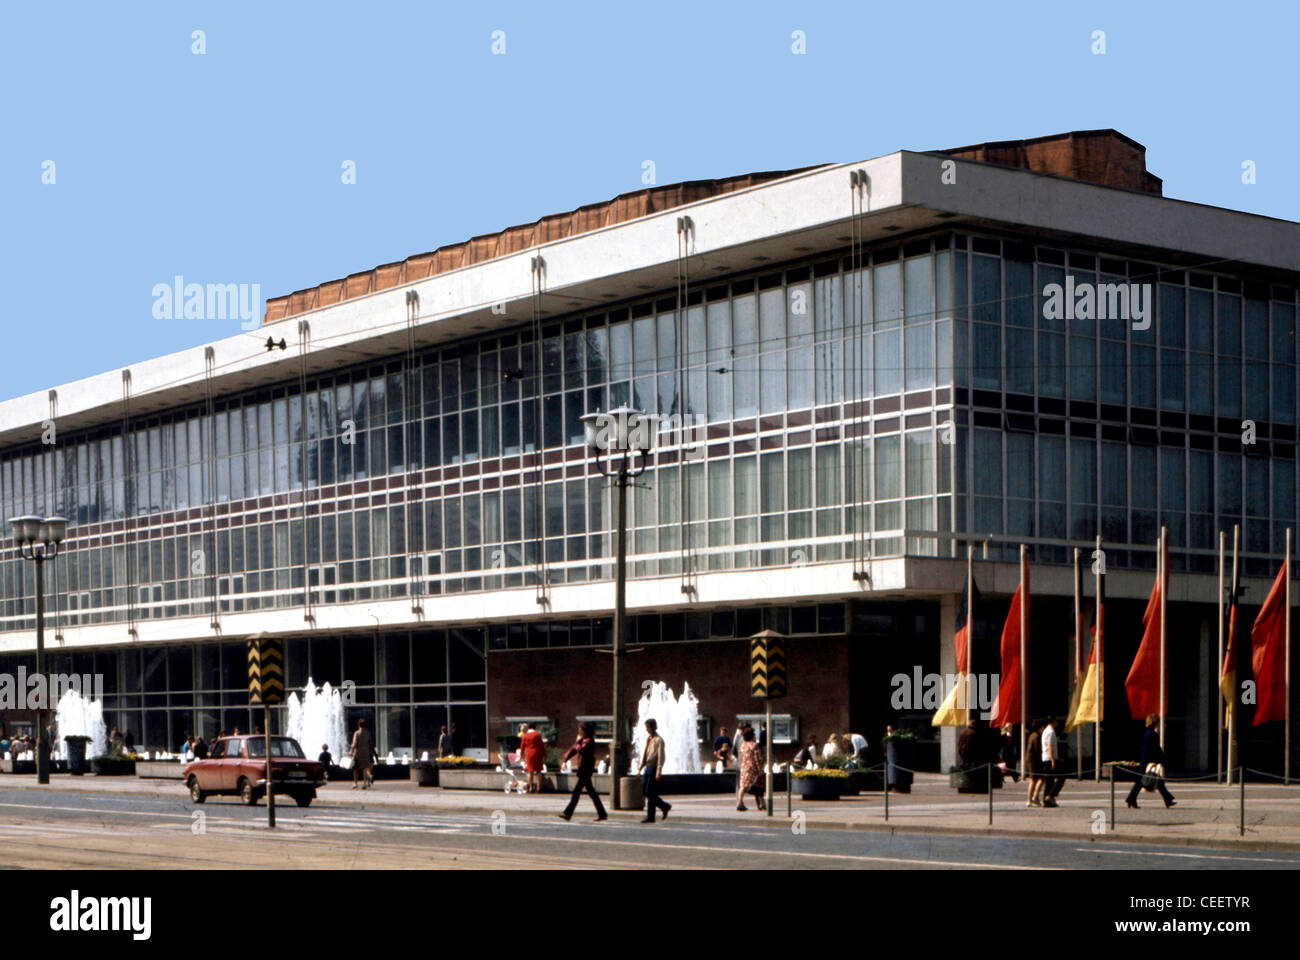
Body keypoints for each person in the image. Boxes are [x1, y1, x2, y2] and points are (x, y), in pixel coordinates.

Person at [559, 722, 607, 821]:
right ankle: (602, 813)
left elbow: (581, 750)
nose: (579, 732)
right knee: (591, 793)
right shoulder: (582, 741)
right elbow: (572, 750)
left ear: (585, 731)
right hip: (583, 769)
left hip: (586, 769)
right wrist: (565, 760)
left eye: (581, 730)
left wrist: (577, 741)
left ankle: (568, 813)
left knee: (577, 792)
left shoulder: (589, 741)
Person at [1126, 714, 1176, 809]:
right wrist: (1159, 760)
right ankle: (1131, 799)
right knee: (1145, 781)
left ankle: (1168, 799)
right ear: (1155, 722)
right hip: (1148, 762)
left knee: (1152, 781)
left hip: (1144, 760)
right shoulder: (1152, 734)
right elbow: (1155, 749)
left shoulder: (1146, 733)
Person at [638, 719, 672, 823]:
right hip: (647, 767)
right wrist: (640, 768)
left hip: (653, 768)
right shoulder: (649, 739)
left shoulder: (659, 740)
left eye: (648, 727)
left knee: (650, 792)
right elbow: (645, 754)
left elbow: (661, 757)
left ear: (653, 727)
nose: (646, 729)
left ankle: (651, 816)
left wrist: (658, 771)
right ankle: (664, 806)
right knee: (645, 791)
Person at [736, 726, 764, 811]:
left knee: (743, 786)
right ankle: (762, 804)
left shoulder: (743, 745)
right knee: (759, 786)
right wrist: (760, 769)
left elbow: (741, 756)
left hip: (744, 767)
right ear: (752, 735)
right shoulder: (754, 745)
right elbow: (757, 758)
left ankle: (739, 803)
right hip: (753, 768)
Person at [1040, 716, 1061, 807]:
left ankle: (1046, 799)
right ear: (1053, 722)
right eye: (1056, 721)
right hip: (1049, 758)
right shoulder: (1050, 732)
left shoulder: (1046, 730)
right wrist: (1052, 759)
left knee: (1050, 780)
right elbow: (1049, 746)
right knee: (1061, 777)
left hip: (1046, 757)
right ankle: (1051, 795)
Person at [520, 722, 546, 794]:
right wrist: (545, 754)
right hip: (537, 753)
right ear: (535, 727)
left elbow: (522, 746)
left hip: (529, 754)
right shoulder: (538, 735)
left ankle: (531, 787)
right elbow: (541, 745)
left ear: (528, 727)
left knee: (530, 771)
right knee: (538, 771)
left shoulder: (525, 735)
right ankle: (539, 788)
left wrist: (521, 756)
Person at [350, 719, 375, 789]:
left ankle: (355, 783)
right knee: (364, 768)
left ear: (358, 725)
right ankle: (364, 783)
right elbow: (370, 743)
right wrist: (370, 751)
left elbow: (354, 743)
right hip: (365, 753)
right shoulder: (368, 733)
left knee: (355, 769)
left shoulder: (357, 733)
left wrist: (351, 751)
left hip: (357, 753)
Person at [1025, 718, 1044, 807]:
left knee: (1034, 779)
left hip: (1031, 759)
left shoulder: (1032, 735)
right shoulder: (1036, 736)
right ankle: (1032, 798)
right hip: (1033, 760)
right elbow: (1037, 750)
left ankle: (1032, 798)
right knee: (1034, 779)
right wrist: (1041, 761)